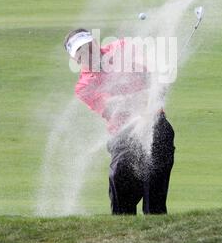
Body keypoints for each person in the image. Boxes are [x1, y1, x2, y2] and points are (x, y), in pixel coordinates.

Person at [64, 28, 175, 215]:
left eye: (89, 46)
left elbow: (150, 69)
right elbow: (112, 107)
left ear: (96, 43)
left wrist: (158, 81)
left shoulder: (122, 47)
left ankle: (156, 230)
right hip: (124, 134)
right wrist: (144, 95)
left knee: (154, 202)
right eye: (81, 52)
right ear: (76, 60)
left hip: (155, 123)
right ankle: (123, 236)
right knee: (120, 179)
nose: (88, 53)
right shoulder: (84, 86)